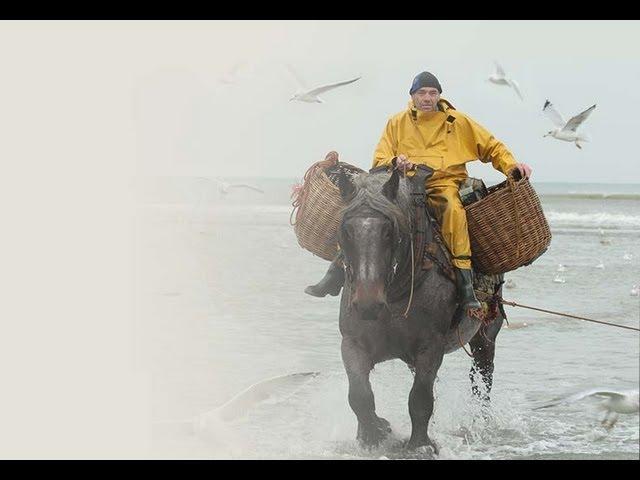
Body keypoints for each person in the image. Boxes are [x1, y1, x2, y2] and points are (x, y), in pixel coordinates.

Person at [305, 71, 532, 312]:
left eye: (432, 93)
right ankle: (336, 271)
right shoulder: (396, 122)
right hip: (403, 184)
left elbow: (492, 147)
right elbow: (380, 158)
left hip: (443, 183)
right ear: (412, 95)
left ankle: (465, 285)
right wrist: (395, 162)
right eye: (422, 93)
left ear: (439, 95)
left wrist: (511, 165)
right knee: (364, 214)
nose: (427, 98)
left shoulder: (458, 121)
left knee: (453, 211)